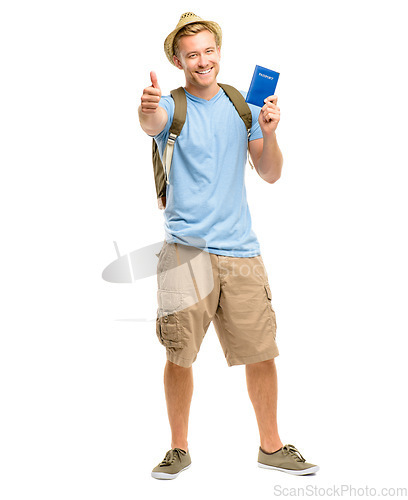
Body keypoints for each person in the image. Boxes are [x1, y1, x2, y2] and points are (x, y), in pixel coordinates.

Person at [138, 12, 319, 480]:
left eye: (208, 51)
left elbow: (271, 172)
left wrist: (270, 131)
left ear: (219, 52)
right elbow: (150, 121)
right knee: (179, 354)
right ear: (179, 61)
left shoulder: (243, 106)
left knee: (262, 352)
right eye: (191, 54)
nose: (202, 61)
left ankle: (271, 447)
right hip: (185, 252)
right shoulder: (171, 106)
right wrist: (147, 107)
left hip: (241, 252)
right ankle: (178, 449)